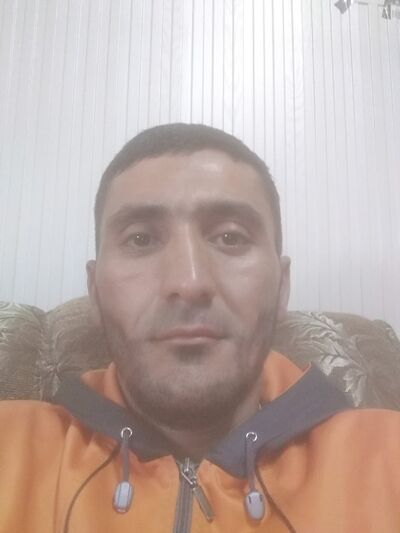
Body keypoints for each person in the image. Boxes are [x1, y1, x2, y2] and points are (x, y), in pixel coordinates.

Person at [0, 123, 399, 533]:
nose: (189, 283)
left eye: (230, 237)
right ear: (95, 292)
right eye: (141, 239)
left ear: (282, 287)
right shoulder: (10, 447)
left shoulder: (388, 456)